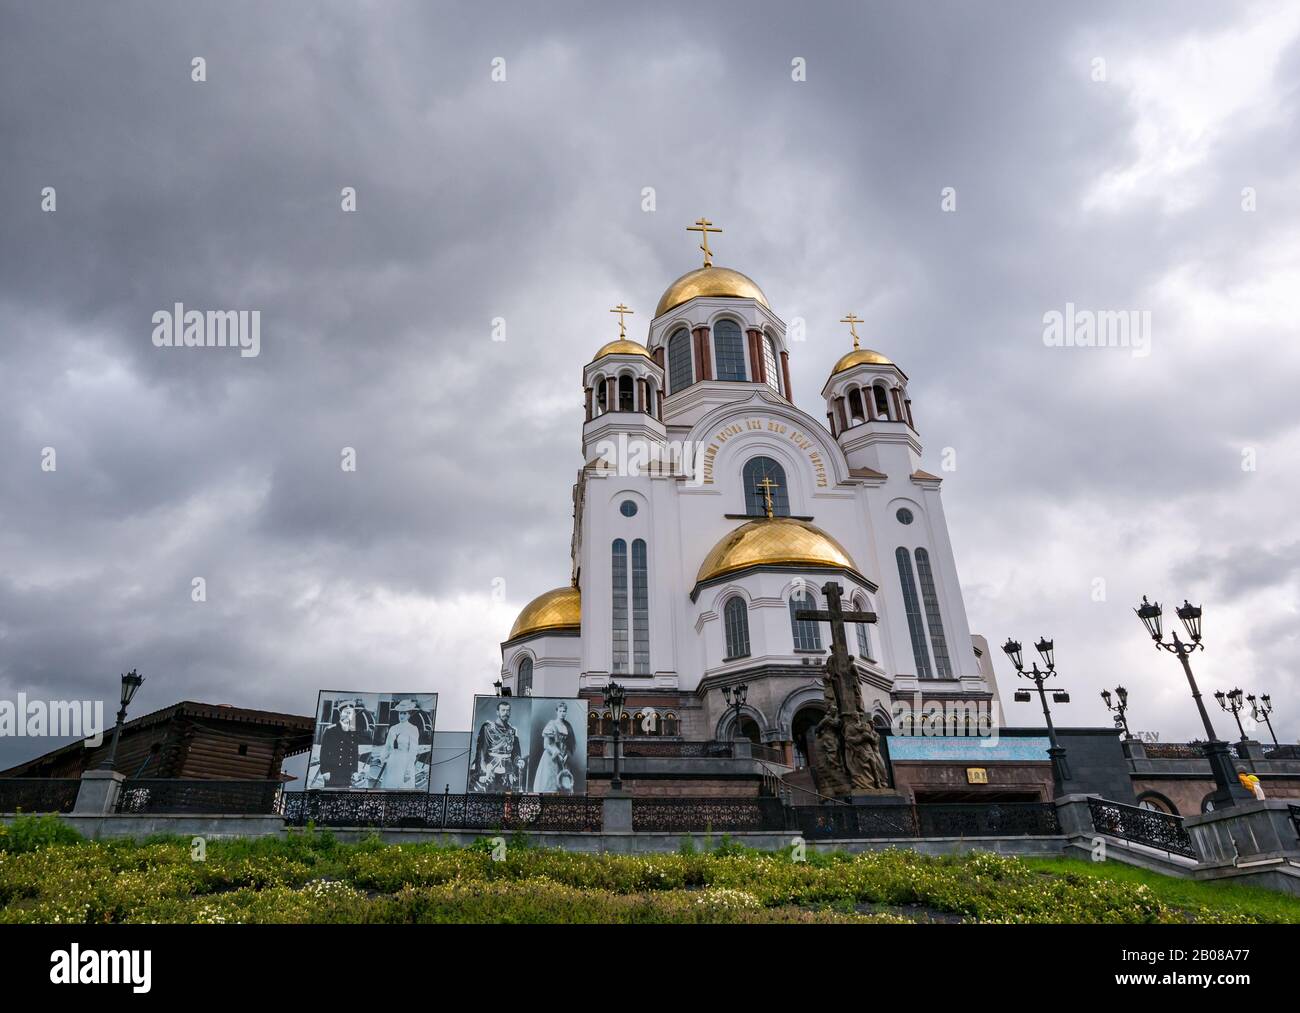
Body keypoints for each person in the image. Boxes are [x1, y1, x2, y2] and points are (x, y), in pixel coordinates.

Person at [470, 699, 526, 792]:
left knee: (506, 797)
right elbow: (481, 751)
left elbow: (515, 751)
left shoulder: (513, 731)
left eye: (508, 711)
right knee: (489, 795)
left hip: (507, 769)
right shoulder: (488, 728)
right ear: (497, 712)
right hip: (490, 767)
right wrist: (482, 770)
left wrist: (518, 760)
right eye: (503, 710)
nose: (506, 713)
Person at [317, 698, 364, 788]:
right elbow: (324, 752)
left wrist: (355, 771)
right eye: (345, 712)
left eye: (350, 713)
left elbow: (354, 753)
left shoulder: (353, 732)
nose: (348, 715)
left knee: (344, 798)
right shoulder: (330, 730)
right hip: (332, 772)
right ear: (340, 713)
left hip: (347, 772)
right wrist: (325, 771)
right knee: (330, 798)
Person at [378, 700, 424, 790]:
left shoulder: (413, 729)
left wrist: (408, 772)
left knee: (402, 789)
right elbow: (387, 746)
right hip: (392, 762)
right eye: (400, 713)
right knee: (390, 788)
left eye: (404, 713)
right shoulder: (393, 728)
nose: (402, 716)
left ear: (409, 715)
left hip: (404, 763)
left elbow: (413, 751)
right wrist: (381, 758)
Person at [533, 701, 577, 793]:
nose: (562, 713)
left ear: (566, 712)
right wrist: (557, 754)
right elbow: (546, 744)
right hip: (551, 757)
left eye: (564, 711)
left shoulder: (567, 726)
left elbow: (569, 744)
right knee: (550, 783)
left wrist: (566, 755)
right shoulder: (552, 724)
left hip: (564, 757)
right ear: (556, 711)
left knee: (564, 781)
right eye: (560, 711)